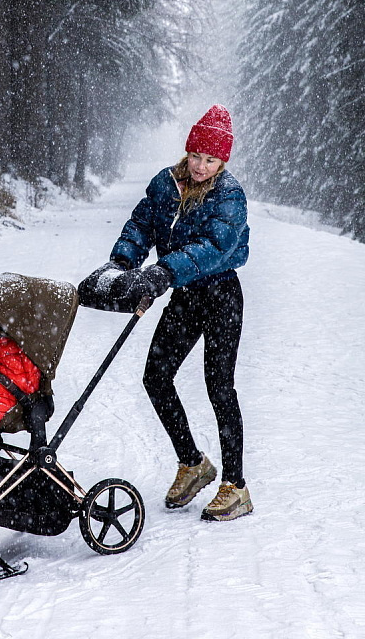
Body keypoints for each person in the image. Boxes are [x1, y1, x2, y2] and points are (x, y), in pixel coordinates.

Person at [108, 104, 252, 522]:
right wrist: (121, 263)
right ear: (187, 152)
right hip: (185, 295)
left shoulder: (229, 195)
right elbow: (141, 225)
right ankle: (192, 463)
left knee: (219, 387)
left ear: (222, 161)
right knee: (156, 376)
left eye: (211, 160)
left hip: (221, 296)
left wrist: (164, 271)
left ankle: (236, 487)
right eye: (195, 156)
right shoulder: (165, 184)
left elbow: (214, 247)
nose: (201, 166)